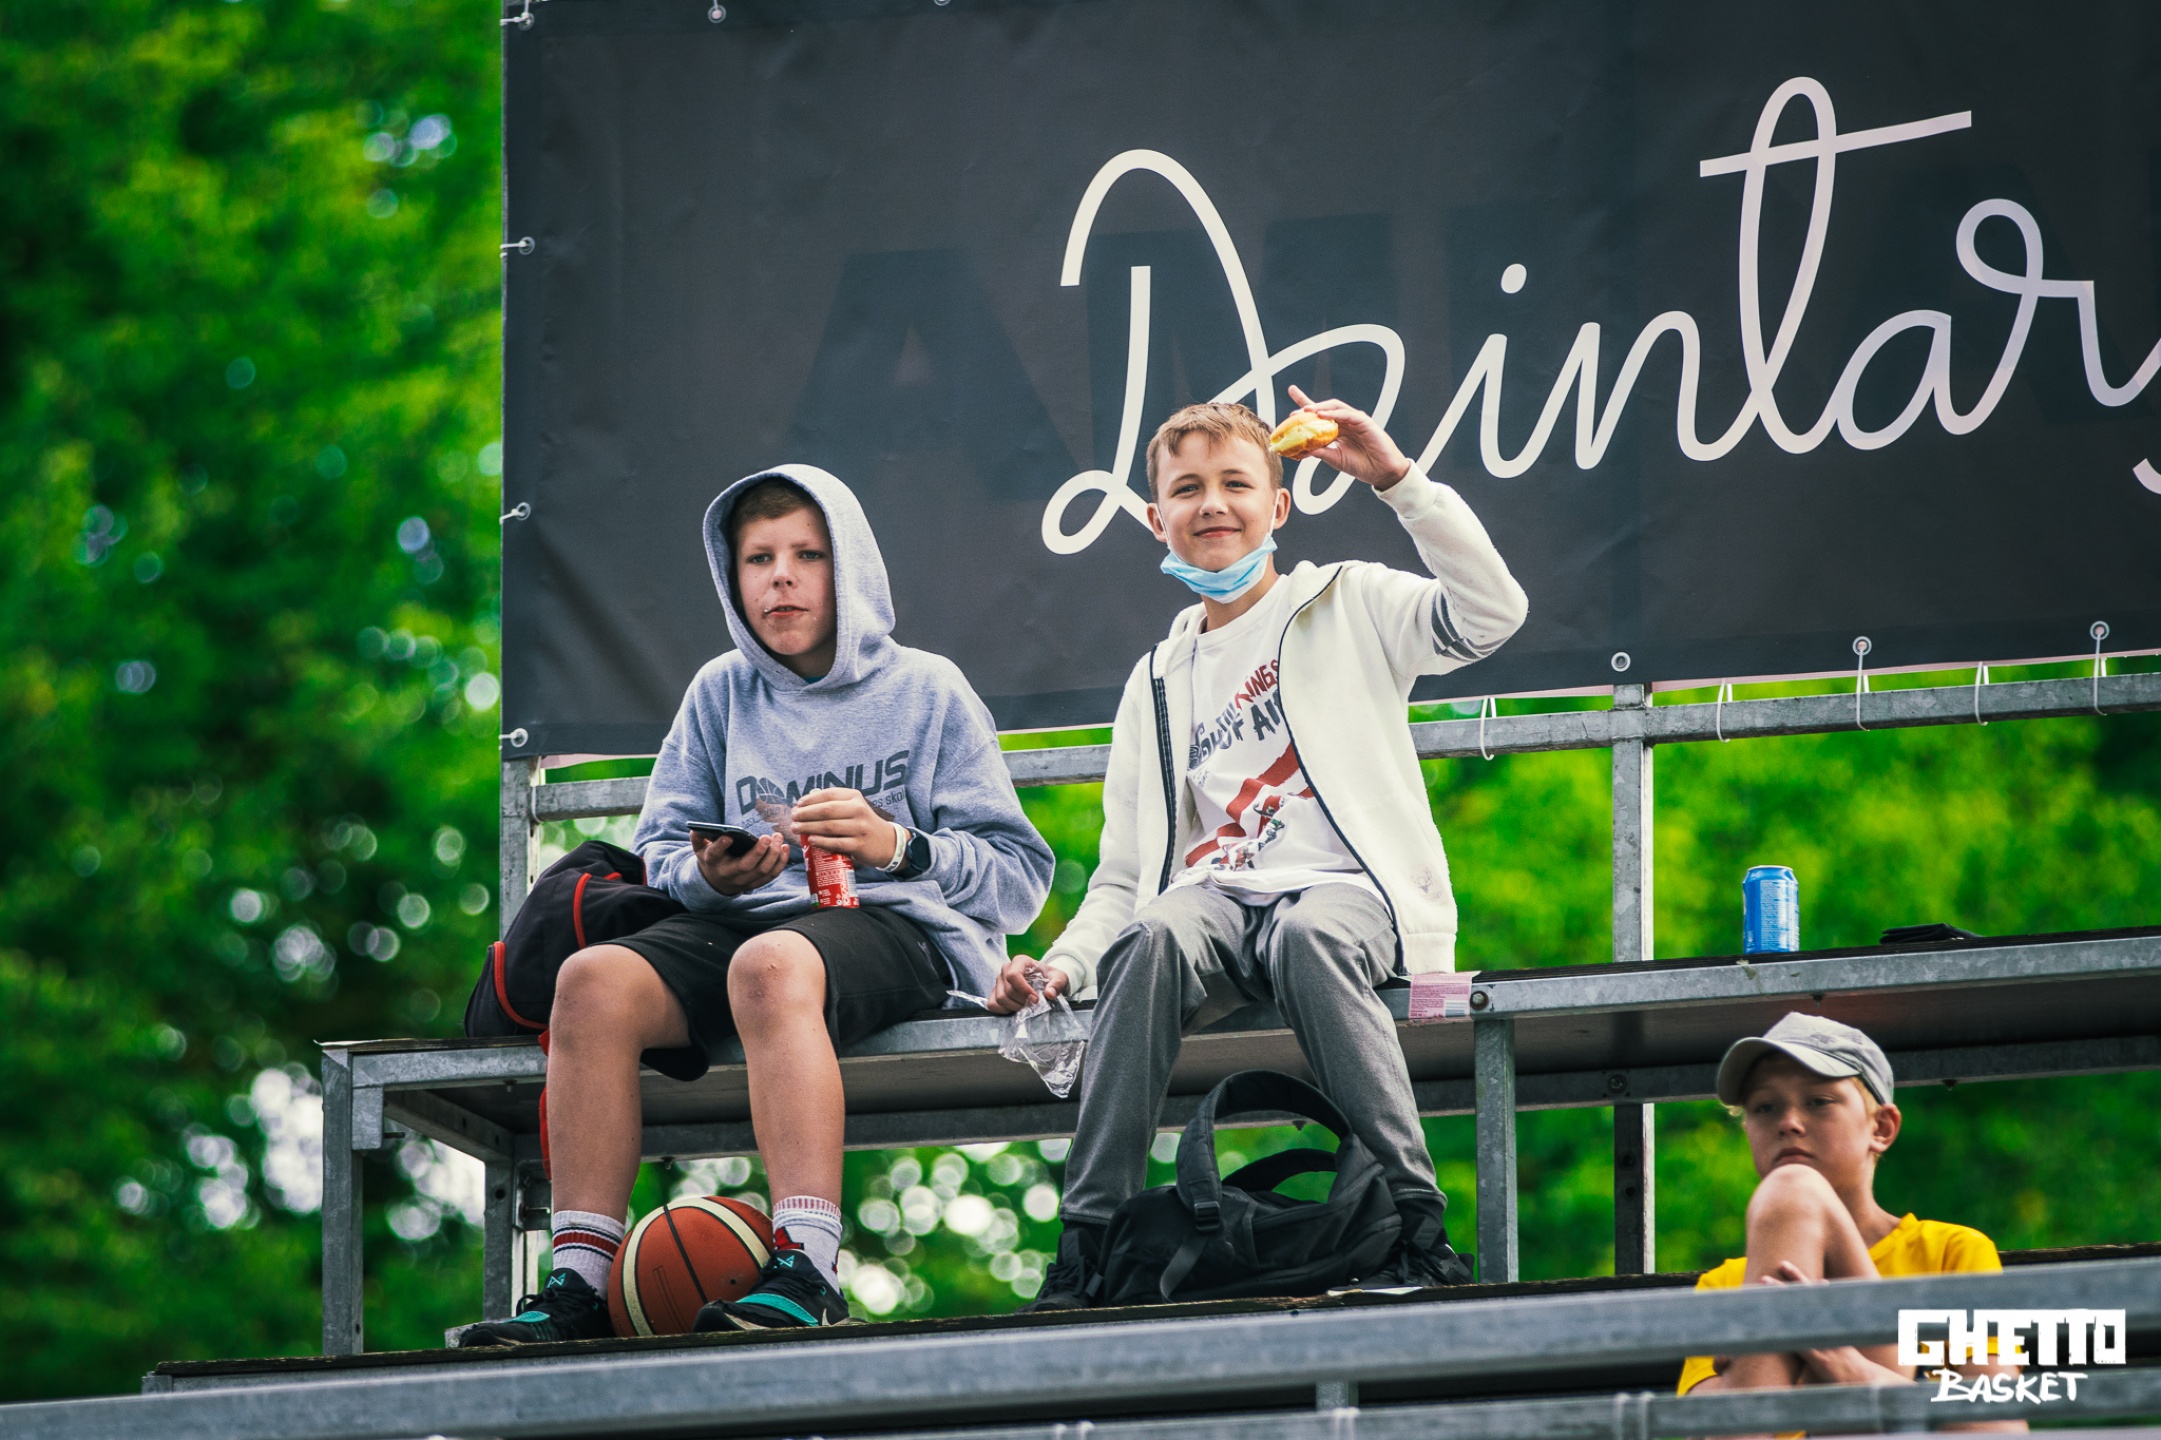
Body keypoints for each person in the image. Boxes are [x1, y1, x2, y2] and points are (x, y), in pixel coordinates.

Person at [462, 466, 1053, 1343]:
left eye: (807, 555)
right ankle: (578, 1284)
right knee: (588, 981)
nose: (781, 577)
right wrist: (714, 878)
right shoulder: (718, 693)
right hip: (736, 927)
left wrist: (896, 845)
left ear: (850, 568)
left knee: (769, 966)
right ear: (731, 578)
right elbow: (661, 857)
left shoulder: (928, 689)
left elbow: (1020, 879)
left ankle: (807, 1270)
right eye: (758, 559)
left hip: (898, 932)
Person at [992, 390, 1529, 1307]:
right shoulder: (1155, 679)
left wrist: (1397, 481)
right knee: (1150, 938)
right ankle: (1087, 1247)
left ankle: (1415, 1226)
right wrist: (1063, 968)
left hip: (1341, 894)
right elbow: (1123, 878)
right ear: (1156, 519)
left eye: (1235, 484)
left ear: (1277, 505)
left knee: (1310, 937)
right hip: (1215, 906)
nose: (1212, 504)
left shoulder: (1348, 600)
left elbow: (1492, 614)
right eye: (1186, 489)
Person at [1678, 1013, 2021, 1429]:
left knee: (1794, 1188)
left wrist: (1842, 1364)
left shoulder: (1950, 1253)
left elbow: (1996, 1430)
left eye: (1818, 1102)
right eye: (1765, 1107)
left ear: (1881, 1127)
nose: (1788, 1123)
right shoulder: (1723, 1285)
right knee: (1794, 1189)